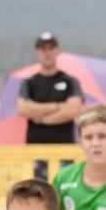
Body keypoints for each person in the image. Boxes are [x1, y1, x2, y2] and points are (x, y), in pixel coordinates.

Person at [16, 32, 83, 179]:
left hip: (64, 151)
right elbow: (23, 108)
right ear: (37, 52)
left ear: (57, 51)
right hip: (36, 151)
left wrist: (41, 118)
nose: (47, 53)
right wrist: (58, 106)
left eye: (51, 48)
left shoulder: (70, 81)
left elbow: (72, 110)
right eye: (43, 49)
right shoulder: (29, 82)